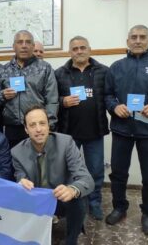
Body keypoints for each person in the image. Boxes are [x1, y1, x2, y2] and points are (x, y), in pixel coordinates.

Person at [104, 25, 148, 235]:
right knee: (118, 173)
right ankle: (119, 207)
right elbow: (107, 95)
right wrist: (114, 107)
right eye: (133, 37)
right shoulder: (116, 66)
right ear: (127, 41)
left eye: (142, 37)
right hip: (121, 129)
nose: (138, 40)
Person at [12, 105, 94, 245]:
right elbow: (19, 175)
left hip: (60, 198)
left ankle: (71, 240)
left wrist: (72, 190)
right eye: (32, 125)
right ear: (26, 129)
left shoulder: (66, 143)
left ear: (49, 126)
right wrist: (21, 181)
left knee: (79, 199)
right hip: (36, 200)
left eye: (42, 123)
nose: (38, 129)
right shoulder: (16, 152)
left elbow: (86, 179)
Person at [55, 36, 109, 220]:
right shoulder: (60, 73)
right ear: (70, 52)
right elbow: (53, 100)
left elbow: (109, 96)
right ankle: (68, 203)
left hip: (95, 131)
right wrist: (63, 101)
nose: (79, 51)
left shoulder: (103, 71)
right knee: (68, 171)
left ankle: (94, 203)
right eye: (75, 48)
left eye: (82, 47)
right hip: (69, 134)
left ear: (89, 49)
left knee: (96, 171)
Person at [0, 30, 58, 147]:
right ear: (14, 46)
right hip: (12, 127)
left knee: (40, 163)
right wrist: (2, 95)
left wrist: (49, 125)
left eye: (28, 42)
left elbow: (52, 99)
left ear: (33, 46)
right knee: (16, 162)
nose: (24, 45)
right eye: (20, 42)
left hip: (37, 126)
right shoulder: (4, 69)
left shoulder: (45, 68)